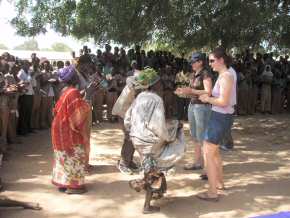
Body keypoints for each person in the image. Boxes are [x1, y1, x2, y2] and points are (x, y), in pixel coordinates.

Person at [124, 68, 185, 213]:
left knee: (151, 164)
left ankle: (159, 190)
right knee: (153, 169)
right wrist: (171, 134)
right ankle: (146, 204)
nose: (162, 86)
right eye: (159, 83)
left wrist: (131, 131)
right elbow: (157, 125)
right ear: (154, 84)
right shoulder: (156, 99)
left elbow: (128, 118)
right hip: (149, 141)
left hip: (137, 138)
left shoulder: (139, 97)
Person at [197, 47, 237, 201]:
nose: (210, 63)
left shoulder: (226, 76)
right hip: (220, 117)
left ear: (221, 60)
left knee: (208, 152)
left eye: (212, 60)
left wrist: (208, 100)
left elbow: (223, 101)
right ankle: (219, 184)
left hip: (220, 117)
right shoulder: (224, 75)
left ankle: (213, 192)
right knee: (213, 153)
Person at [51, 65, 98, 194]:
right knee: (75, 154)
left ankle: (64, 182)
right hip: (67, 131)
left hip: (59, 129)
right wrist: (88, 96)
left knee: (63, 156)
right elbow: (78, 116)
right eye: (76, 75)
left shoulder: (65, 90)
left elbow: (73, 101)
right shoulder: (72, 92)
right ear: (73, 78)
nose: (78, 77)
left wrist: (84, 92)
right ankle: (74, 186)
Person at [175, 52, 213, 171]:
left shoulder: (205, 73)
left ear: (200, 62)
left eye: (193, 61)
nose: (191, 63)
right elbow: (193, 91)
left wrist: (191, 90)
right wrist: (184, 92)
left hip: (202, 107)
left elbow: (208, 92)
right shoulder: (194, 74)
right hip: (193, 105)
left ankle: (208, 167)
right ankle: (197, 162)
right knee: (195, 136)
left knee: (202, 137)